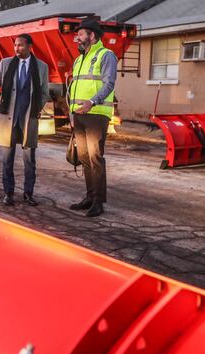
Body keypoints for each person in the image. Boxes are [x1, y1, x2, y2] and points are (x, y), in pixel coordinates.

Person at [0, 34, 50, 206]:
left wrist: (36, 109)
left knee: (29, 160)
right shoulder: (6, 63)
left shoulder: (41, 67)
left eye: (21, 45)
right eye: (15, 45)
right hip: (8, 119)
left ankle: (28, 193)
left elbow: (44, 92)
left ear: (30, 46)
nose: (17, 48)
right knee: (7, 159)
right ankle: (8, 193)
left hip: (28, 119)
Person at [67, 19, 118, 217]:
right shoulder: (79, 59)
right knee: (84, 157)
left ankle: (98, 201)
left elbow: (109, 84)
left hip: (96, 114)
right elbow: (75, 88)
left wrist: (92, 102)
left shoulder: (106, 55)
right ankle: (89, 197)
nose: (77, 37)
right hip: (79, 115)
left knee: (95, 157)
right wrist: (72, 113)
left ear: (92, 36)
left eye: (81, 34)